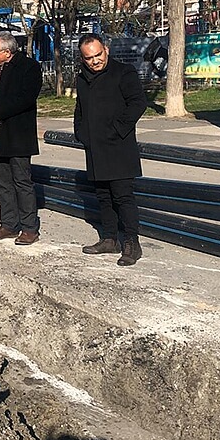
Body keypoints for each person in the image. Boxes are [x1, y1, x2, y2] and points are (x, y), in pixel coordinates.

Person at [73, 33, 146, 266]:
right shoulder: (82, 79)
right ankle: (109, 238)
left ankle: (131, 243)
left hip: (119, 146)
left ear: (106, 49)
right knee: (103, 195)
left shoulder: (124, 72)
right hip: (94, 147)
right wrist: (81, 133)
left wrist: (117, 129)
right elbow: (80, 109)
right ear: (83, 59)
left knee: (123, 195)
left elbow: (138, 103)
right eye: (89, 58)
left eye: (98, 55)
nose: (95, 61)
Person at [0, 31, 43, 246]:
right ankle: (8, 224)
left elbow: (25, 98)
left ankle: (29, 227)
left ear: (8, 52)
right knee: (2, 182)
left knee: (22, 181)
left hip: (17, 135)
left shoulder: (29, 67)